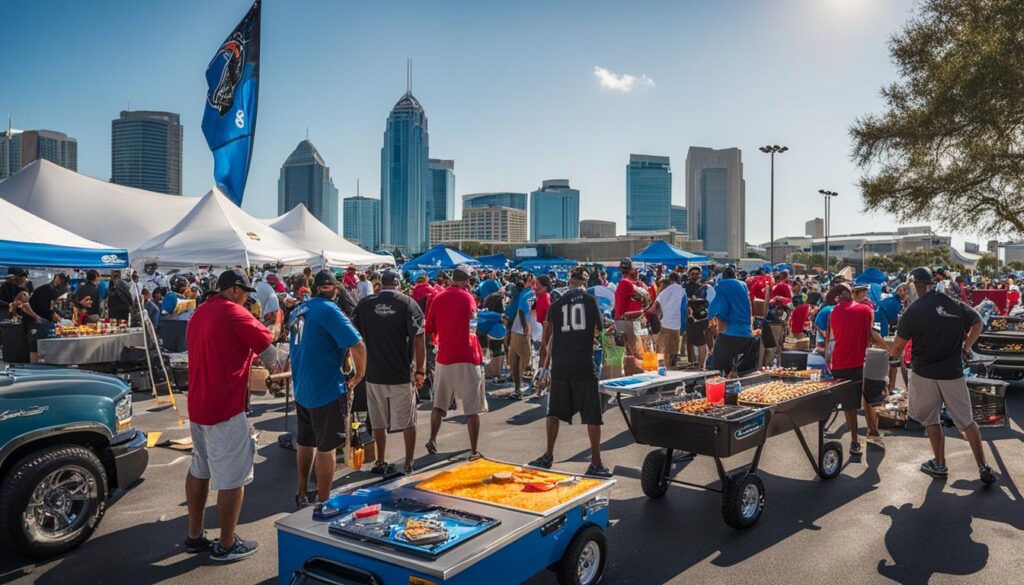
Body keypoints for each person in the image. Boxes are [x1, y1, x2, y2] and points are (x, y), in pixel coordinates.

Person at [184, 269, 281, 562]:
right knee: (232, 477)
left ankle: (195, 535)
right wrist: (276, 326)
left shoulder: (200, 312)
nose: (247, 301)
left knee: (200, 468)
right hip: (223, 407)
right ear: (236, 291)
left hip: (198, 404)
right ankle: (226, 543)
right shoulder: (232, 312)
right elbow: (269, 349)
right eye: (246, 294)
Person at [890, 267, 996, 485]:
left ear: (912, 284)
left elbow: (896, 349)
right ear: (930, 284)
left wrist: (879, 342)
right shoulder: (952, 303)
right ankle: (983, 466)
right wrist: (967, 347)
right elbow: (978, 322)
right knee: (967, 421)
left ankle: (939, 464)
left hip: (924, 374)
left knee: (931, 419)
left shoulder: (913, 311)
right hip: (952, 372)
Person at [288, 270, 366, 507]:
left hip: (302, 387)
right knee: (327, 447)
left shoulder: (298, 309)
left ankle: (301, 493)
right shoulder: (329, 309)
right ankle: (323, 500)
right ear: (333, 289)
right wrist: (358, 377)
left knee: (305, 441)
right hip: (326, 389)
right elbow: (358, 344)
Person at [530, 266, 611, 477]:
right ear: (585, 282)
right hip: (584, 364)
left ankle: (548, 454)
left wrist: (545, 368)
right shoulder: (591, 301)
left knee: (554, 412)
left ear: (569, 281)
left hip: (561, 366)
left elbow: (550, 338)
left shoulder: (556, 305)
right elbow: (599, 329)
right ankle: (596, 461)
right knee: (593, 415)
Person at [352, 269, 425, 475]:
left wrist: (359, 369)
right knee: (408, 421)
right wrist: (420, 370)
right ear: (398, 284)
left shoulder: (364, 304)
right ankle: (409, 462)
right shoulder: (408, 303)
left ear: (379, 284)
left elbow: (353, 337)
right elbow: (419, 338)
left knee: (378, 421)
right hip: (400, 373)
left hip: (374, 372)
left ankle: (380, 461)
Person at [424, 266, 488, 460]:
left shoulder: (439, 298)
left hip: (444, 356)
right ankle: (474, 449)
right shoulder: (468, 298)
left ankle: (433, 439)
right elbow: (472, 327)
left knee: (439, 405)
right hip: (467, 356)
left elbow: (429, 328)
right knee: (472, 409)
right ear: (466, 281)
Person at [826, 282, 884, 457]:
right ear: (851, 293)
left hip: (838, 362)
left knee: (846, 406)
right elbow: (870, 336)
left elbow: (831, 338)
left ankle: (856, 440)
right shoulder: (865, 311)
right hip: (858, 362)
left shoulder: (833, 313)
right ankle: (861, 438)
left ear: (837, 297)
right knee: (866, 400)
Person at [709, 266, 757, 374]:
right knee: (746, 373)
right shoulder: (743, 286)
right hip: (748, 335)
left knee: (719, 370)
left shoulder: (721, 286)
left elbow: (721, 311)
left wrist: (717, 328)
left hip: (730, 334)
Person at [647, 272, 686, 369]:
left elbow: (653, 309)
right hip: (676, 325)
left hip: (665, 324)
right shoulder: (681, 290)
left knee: (662, 350)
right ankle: (669, 368)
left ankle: (664, 368)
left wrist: (644, 314)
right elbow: (684, 307)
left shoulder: (664, 292)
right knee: (672, 350)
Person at [508, 277, 536, 399]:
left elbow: (519, 311)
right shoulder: (533, 294)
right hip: (522, 330)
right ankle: (519, 389)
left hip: (520, 331)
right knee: (520, 361)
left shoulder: (526, 295)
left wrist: (525, 327)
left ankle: (523, 388)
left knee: (523, 362)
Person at [614, 259, 648, 358]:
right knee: (635, 353)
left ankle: (630, 369)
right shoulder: (626, 283)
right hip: (629, 321)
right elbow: (643, 298)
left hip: (628, 320)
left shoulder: (625, 283)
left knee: (629, 353)